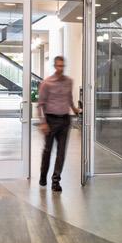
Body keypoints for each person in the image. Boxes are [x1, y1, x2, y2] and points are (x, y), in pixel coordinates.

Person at [37, 55, 80, 192]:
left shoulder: (69, 81)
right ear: (55, 66)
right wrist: (43, 122)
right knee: (48, 151)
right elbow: (40, 104)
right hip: (51, 120)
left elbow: (69, 98)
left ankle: (56, 181)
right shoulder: (47, 83)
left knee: (61, 152)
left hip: (65, 121)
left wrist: (74, 109)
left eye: (62, 66)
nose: (61, 68)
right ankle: (43, 175)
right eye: (58, 66)